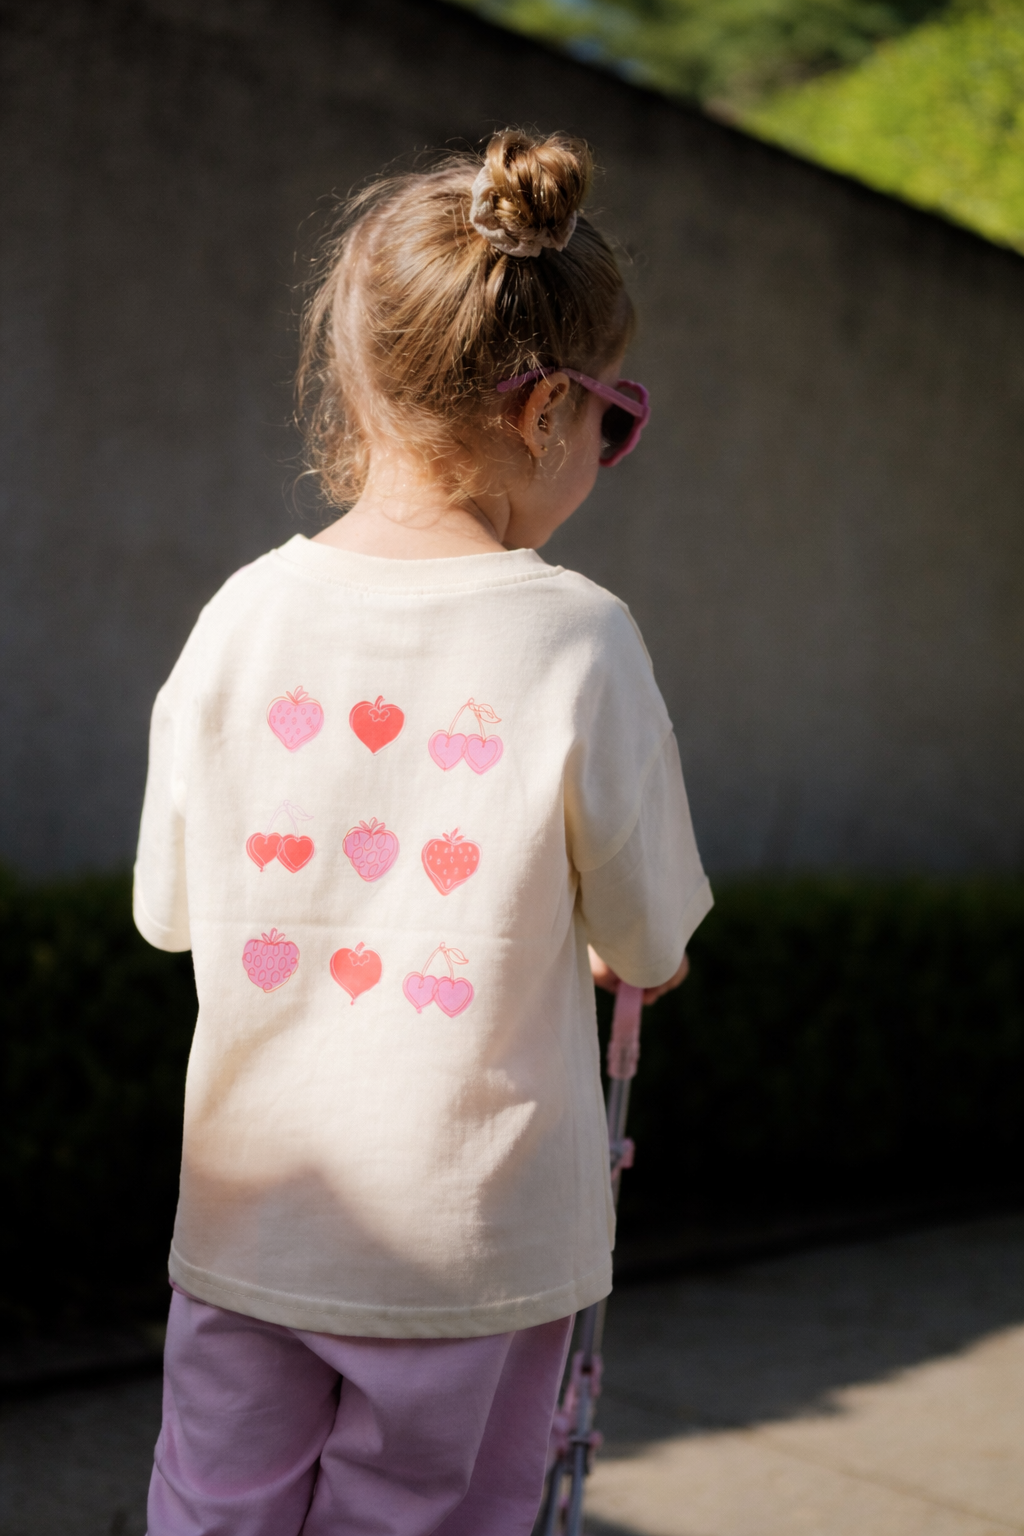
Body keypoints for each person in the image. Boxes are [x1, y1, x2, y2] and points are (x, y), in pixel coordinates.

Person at [134, 127, 713, 1536]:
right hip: (477, 1243)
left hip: (248, 1222)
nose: (606, 450)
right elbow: (649, 932)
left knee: (211, 1512)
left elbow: (170, 911)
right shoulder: (581, 639)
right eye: (614, 420)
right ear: (545, 415)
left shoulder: (240, 618)